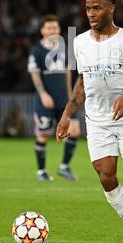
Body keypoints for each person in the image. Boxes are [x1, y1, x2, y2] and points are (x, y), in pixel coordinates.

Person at [57, 0, 123, 243]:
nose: (91, 13)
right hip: (97, 121)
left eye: (97, 7)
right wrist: (67, 114)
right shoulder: (79, 42)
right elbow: (83, 81)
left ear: (112, 8)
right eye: (88, 8)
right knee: (106, 175)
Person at [28, 14, 80, 181]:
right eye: (49, 27)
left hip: (64, 99)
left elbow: (68, 73)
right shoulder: (36, 51)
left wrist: (71, 95)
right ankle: (41, 171)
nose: (52, 30)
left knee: (74, 130)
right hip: (45, 100)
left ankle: (64, 167)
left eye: (55, 27)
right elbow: (35, 74)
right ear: (42, 30)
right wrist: (43, 94)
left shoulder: (64, 49)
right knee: (43, 135)